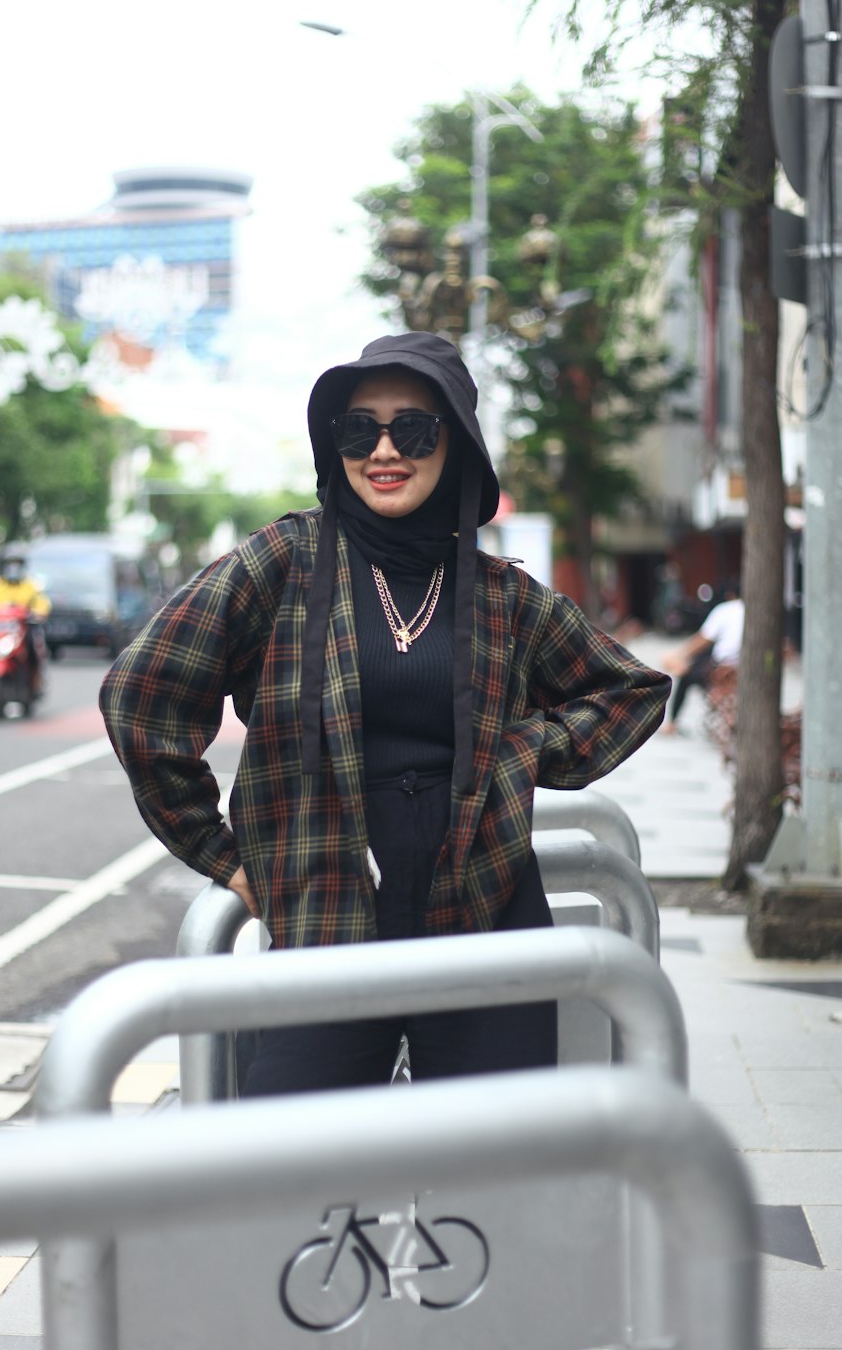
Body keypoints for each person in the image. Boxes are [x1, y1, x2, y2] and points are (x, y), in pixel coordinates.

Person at [99, 332, 670, 1094]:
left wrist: (524, 751)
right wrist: (220, 853)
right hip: (325, 922)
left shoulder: (502, 596)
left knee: (495, 1169)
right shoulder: (283, 564)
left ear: (457, 442)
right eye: (358, 428)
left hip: (485, 916)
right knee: (300, 1161)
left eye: (414, 428)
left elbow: (632, 689)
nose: (384, 450)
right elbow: (142, 693)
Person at [659, 578, 743, 735]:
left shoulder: (725, 609)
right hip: (745, 670)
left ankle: (672, 723)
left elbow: (703, 640)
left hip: (722, 669)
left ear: (730, 595)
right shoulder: (758, 610)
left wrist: (679, 654)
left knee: (686, 675)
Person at [0, 545, 51, 690]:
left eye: (16, 564)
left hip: (23, 629)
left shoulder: (30, 585)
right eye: (10, 564)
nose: (13, 568)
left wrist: (38, 613)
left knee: (34, 647)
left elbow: (41, 602)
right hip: (2, 630)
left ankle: (35, 680)